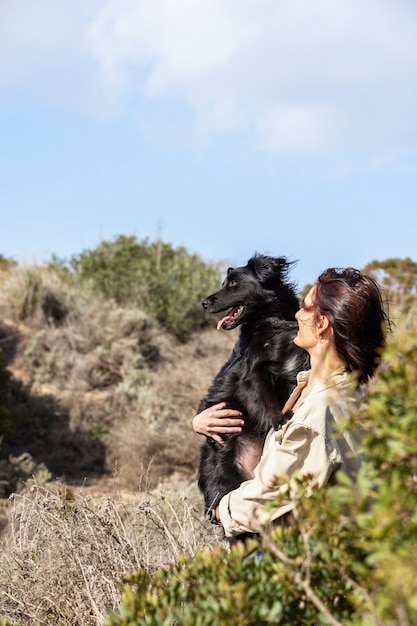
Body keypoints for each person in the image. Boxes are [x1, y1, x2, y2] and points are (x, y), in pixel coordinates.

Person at [192, 267, 390, 539]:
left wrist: (218, 509)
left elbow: (270, 496)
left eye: (307, 308)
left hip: (304, 556)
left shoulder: (319, 410)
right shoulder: (327, 390)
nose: (297, 313)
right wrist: (203, 420)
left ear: (322, 325)